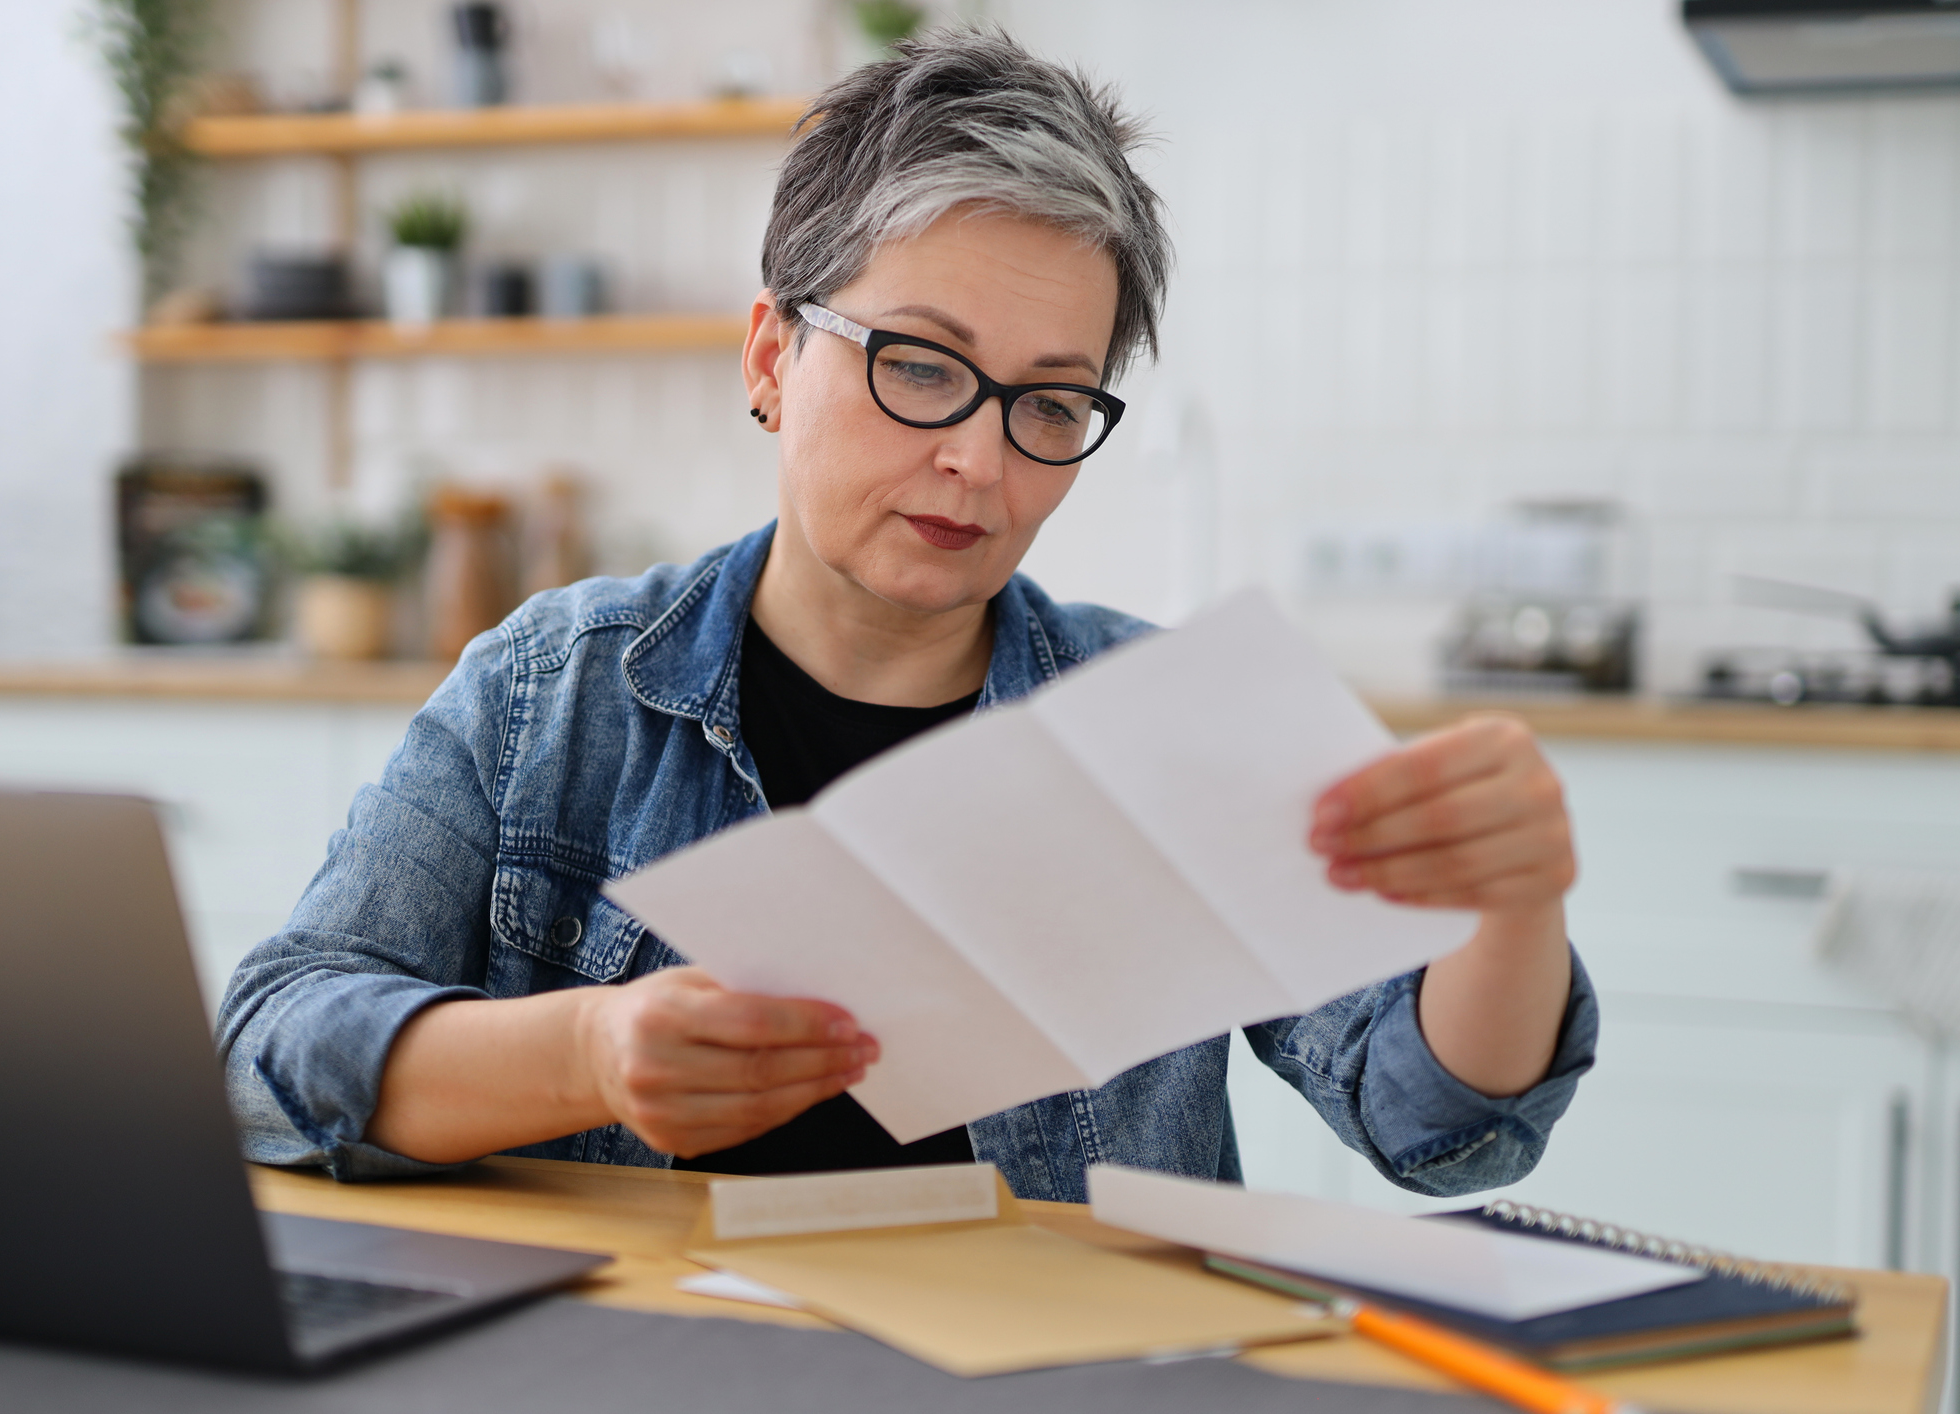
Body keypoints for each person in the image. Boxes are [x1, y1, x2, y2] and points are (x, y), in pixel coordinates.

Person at [219, 28, 1595, 1204]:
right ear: (771, 354)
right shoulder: (550, 695)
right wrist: (581, 1053)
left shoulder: (1167, 728)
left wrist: (1511, 911)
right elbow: (267, 1055)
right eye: (921, 367)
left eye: (1049, 402)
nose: (981, 462)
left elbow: (1438, 1129)